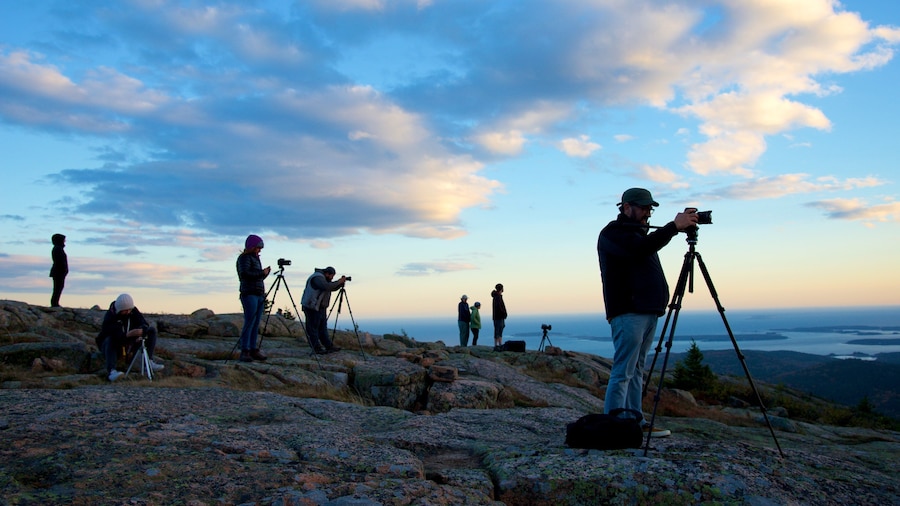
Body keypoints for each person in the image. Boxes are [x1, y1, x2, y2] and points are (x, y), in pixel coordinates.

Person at [597, 187, 698, 438]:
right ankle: (616, 424)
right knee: (624, 370)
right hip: (628, 311)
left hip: (647, 311)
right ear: (626, 206)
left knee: (636, 369)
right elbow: (637, 251)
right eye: (643, 208)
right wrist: (674, 227)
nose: (647, 213)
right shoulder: (614, 233)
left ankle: (635, 421)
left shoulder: (638, 234)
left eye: (649, 209)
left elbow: (644, 248)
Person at [97, 293, 164, 382]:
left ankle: (149, 361)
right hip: (113, 345)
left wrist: (141, 331)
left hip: (130, 341)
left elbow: (143, 323)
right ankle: (112, 372)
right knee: (110, 339)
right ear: (119, 310)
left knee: (151, 331)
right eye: (126, 310)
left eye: (130, 310)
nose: (128, 312)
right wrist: (129, 335)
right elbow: (115, 335)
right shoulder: (110, 317)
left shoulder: (132, 310)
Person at [236, 234, 271, 362]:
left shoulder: (255, 259)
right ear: (252, 247)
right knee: (250, 321)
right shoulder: (244, 258)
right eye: (258, 247)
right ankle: (245, 350)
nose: (259, 250)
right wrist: (262, 273)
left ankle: (252, 349)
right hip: (249, 293)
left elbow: (256, 277)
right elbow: (244, 274)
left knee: (255, 323)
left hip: (258, 293)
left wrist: (264, 274)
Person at [300, 266, 347, 354]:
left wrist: (339, 284)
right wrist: (338, 282)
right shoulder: (317, 278)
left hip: (319, 307)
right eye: (331, 276)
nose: (332, 278)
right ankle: (316, 348)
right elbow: (326, 287)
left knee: (322, 327)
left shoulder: (323, 279)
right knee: (313, 328)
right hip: (312, 307)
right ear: (327, 273)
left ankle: (328, 346)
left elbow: (330, 287)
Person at [49, 233, 68, 307]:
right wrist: (64, 270)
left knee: (58, 287)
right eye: (64, 240)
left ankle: (55, 302)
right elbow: (60, 262)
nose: (65, 241)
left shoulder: (58, 248)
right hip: (58, 272)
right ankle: (54, 303)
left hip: (59, 272)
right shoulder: (58, 249)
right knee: (58, 287)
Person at [491, 283, 507, 351]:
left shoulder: (498, 296)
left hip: (499, 316)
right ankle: (496, 345)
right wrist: (504, 313)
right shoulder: (497, 297)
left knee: (500, 329)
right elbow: (500, 307)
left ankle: (499, 344)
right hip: (498, 317)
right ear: (501, 289)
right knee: (498, 330)